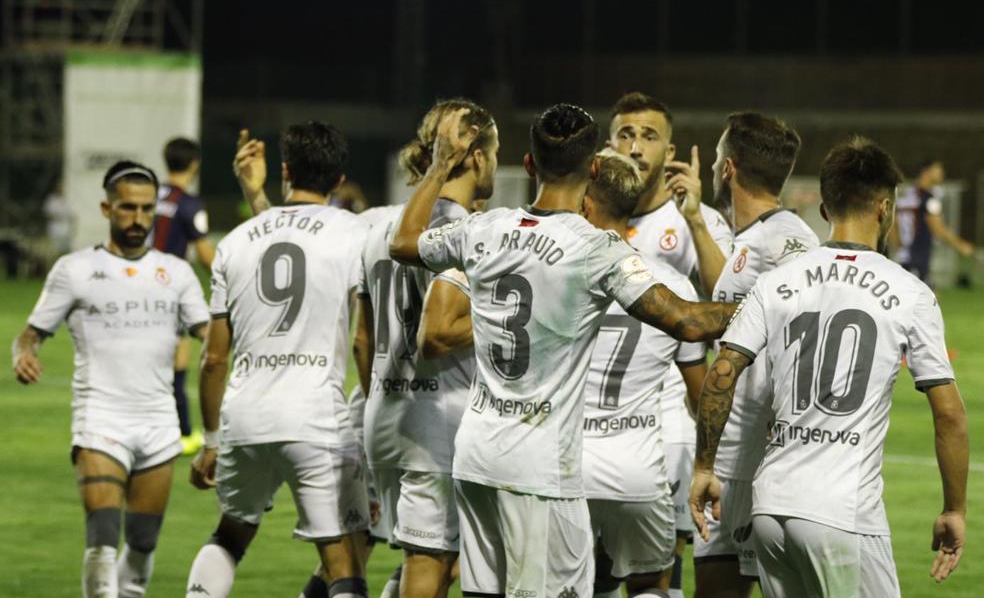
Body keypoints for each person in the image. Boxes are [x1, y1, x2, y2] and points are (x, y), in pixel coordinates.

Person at [389, 104, 737, 598]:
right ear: (594, 167)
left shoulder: (485, 228)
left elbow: (403, 242)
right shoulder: (595, 248)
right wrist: (759, 304)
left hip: (476, 453)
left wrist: (440, 166)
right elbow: (685, 320)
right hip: (540, 466)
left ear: (529, 165)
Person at [690, 137, 968, 597]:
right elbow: (950, 414)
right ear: (884, 208)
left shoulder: (776, 282)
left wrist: (704, 466)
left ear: (823, 209)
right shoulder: (909, 293)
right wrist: (954, 509)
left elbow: (722, 373)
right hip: (844, 514)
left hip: (770, 510)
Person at [184, 122, 371, 598]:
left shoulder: (236, 240)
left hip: (245, 418)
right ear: (339, 179)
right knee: (341, 556)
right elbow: (362, 337)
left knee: (231, 534)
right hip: (314, 417)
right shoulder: (355, 233)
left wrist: (210, 440)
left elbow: (213, 358)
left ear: (285, 170)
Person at [12, 161, 210, 598]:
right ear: (107, 209)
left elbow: (210, 338)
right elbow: (28, 337)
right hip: (100, 418)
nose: (138, 219)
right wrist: (22, 355)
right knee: (102, 540)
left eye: (146, 210)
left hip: (159, 423)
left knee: (141, 545)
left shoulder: (175, 273)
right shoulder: (74, 270)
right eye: (127, 208)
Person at [359, 99, 497, 598]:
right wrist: (507, 323)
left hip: (385, 412)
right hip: (436, 419)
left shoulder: (380, 228)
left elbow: (362, 337)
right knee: (430, 560)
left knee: (430, 559)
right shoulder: (466, 232)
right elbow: (438, 335)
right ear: (479, 157)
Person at [682, 113, 817, 598]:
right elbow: (737, 301)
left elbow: (795, 329)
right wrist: (697, 218)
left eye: (718, 155)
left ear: (728, 168)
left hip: (747, 459)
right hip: (752, 452)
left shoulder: (782, 241)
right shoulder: (768, 238)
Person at [608, 92, 734, 598]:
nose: (635, 146)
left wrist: (698, 220)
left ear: (670, 150)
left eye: (649, 136)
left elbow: (728, 298)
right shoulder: (587, 214)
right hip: (594, 411)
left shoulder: (692, 219)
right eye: (625, 134)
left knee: (660, 557)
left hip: (667, 415)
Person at [580, 148, 708, 598]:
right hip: (634, 467)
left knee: (565, 584)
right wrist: (707, 462)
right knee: (652, 582)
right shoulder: (672, 286)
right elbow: (701, 395)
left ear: (584, 202)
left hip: (562, 465)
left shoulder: (558, 274)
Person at [152, 137, 215, 455]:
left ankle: (171, 428)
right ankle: (183, 432)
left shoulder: (150, 195)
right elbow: (205, 255)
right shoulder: (189, 204)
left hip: (139, 283)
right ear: (194, 164)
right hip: (168, 288)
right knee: (178, 359)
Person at [893, 159, 975, 284]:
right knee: (929, 297)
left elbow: (894, 222)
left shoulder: (908, 195)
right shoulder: (929, 199)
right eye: (938, 170)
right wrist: (961, 245)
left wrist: (897, 243)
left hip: (903, 256)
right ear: (926, 172)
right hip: (918, 256)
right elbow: (938, 228)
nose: (942, 173)